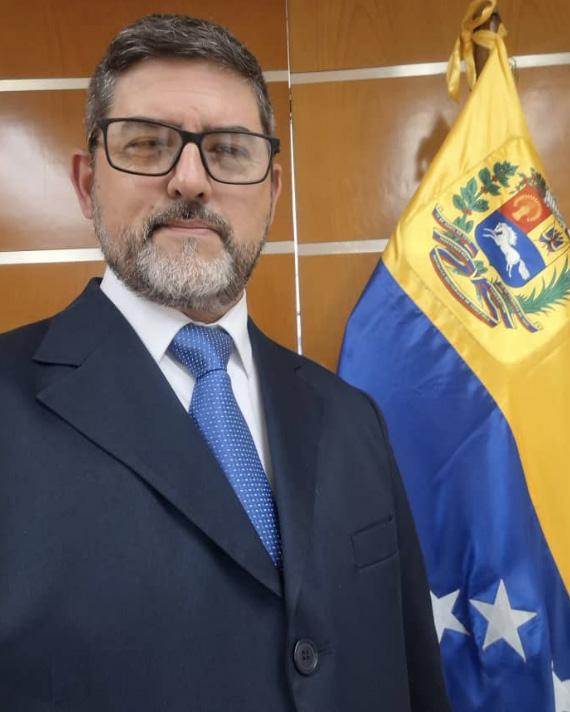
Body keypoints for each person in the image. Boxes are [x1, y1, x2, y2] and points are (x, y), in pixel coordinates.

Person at [0, 14, 450, 712]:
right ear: (87, 184)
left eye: (230, 151)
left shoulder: (351, 417)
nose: (189, 180)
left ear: (272, 190)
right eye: (147, 144)